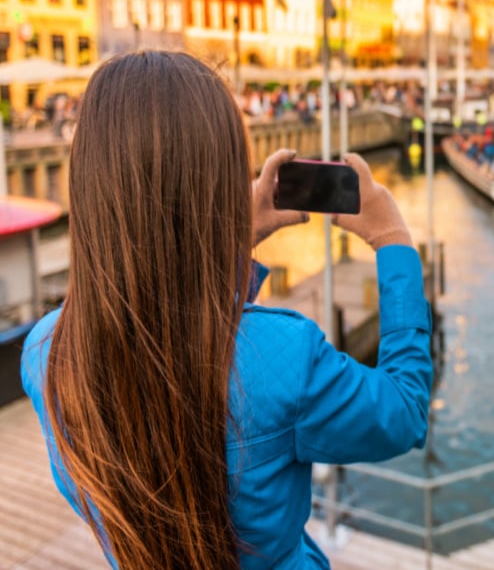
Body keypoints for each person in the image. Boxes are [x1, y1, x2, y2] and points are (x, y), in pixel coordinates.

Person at [20, 50, 433, 570]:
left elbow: (166, 321)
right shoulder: (287, 359)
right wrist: (393, 242)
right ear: (215, 185)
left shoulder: (44, 354)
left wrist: (237, 238)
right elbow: (404, 411)